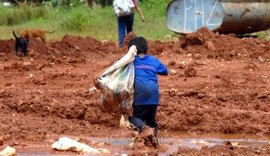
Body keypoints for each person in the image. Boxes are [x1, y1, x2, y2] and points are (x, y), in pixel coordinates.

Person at [128, 37, 168, 147]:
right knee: (151, 121)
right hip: (154, 96)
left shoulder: (131, 61)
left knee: (133, 119)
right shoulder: (153, 60)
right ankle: (154, 143)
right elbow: (165, 71)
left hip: (139, 95)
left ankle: (143, 129)